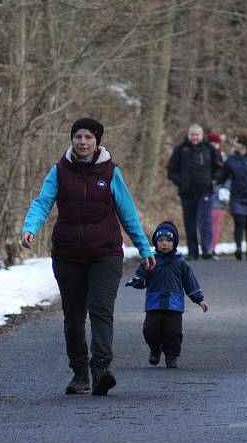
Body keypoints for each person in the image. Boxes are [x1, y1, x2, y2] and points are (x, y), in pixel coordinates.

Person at [20, 118, 155, 396]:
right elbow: (42, 202)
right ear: (72, 140)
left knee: (101, 310)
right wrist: (30, 228)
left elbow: (127, 213)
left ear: (98, 141)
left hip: (105, 253)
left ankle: (101, 368)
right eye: (78, 137)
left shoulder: (110, 172)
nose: (83, 142)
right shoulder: (59, 171)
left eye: (88, 137)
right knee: (73, 316)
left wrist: (144, 248)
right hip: (68, 255)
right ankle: (80, 371)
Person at [126, 221, 208, 369]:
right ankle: (155, 349)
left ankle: (171, 356)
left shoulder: (180, 262)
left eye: (168, 241)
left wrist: (199, 299)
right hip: (154, 303)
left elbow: (190, 282)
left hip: (174, 305)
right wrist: (137, 281)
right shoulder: (150, 260)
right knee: (149, 330)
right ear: (156, 242)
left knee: (173, 332)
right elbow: (142, 277)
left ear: (175, 243)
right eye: (161, 240)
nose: (164, 244)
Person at [166, 124, 223, 260]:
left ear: (202, 135)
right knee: (189, 221)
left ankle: (207, 249)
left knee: (205, 220)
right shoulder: (181, 149)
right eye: (193, 134)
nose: (195, 137)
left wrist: (214, 180)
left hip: (205, 191)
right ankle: (193, 251)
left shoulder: (209, 149)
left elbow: (220, 168)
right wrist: (180, 182)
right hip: (186, 192)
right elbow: (171, 170)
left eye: (197, 134)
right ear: (188, 135)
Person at [207, 131, 230, 255]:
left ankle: (212, 247)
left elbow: (229, 177)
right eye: (210, 142)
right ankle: (206, 245)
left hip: (219, 196)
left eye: (215, 143)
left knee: (214, 220)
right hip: (205, 194)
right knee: (206, 221)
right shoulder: (204, 157)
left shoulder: (224, 158)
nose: (212, 145)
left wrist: (225, 190)